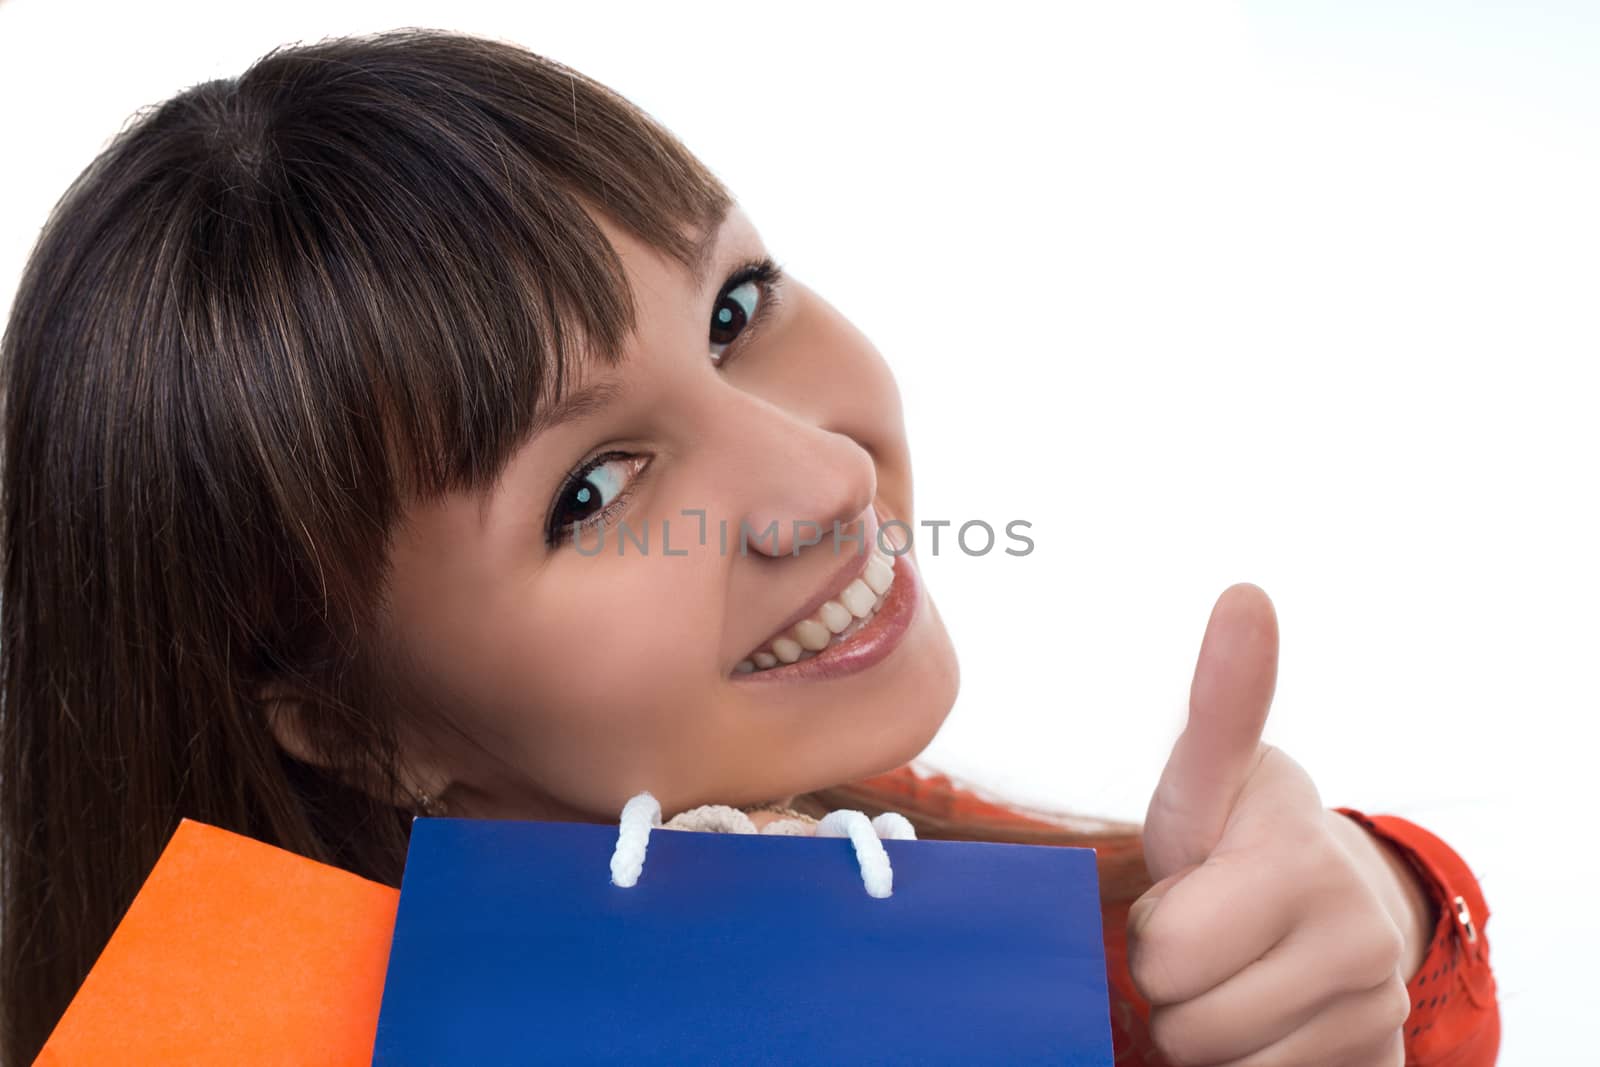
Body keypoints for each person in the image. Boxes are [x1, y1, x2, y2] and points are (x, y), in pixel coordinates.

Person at [0, 28, 1498, 1066]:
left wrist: (1363, 913)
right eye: (591, 488)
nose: (824, 473)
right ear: (349, 721)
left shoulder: (955, 916)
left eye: (733, 310)